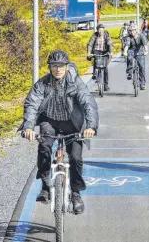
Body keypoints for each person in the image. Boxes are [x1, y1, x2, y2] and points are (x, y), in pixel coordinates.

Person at [19, 50, 99, 214]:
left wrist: (91, 126)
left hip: (72, 122)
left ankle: (76, 194)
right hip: (50, 121)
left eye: (61, 66)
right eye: (54, 66)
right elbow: (32, 104)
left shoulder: (75, 83)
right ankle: (45, 186)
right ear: (49, 68)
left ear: (67, 66)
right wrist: (28, 127)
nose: (58, 69)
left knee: (76, 157)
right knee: (44, 148)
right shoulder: (43, 84)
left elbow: (88, 103)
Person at [87, 24, 113, 91]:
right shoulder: (94, 35)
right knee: (96, 63)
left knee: (105, 69)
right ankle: (95, 74)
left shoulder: (106, 35)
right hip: (96, 51)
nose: (100, 31)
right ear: (97, 30)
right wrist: (89, 53)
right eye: (99, 30)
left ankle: (106, 85)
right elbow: (90, 44)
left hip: (105, 52)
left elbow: (110, 44)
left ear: (103, 30)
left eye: (102, 30)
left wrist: (111, 52)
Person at [123, 24, 148, 90]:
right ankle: (130, 73)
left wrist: (146, 51)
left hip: (140, 51)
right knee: (129, 58)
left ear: (136, 30)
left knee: (142, 67)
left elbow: (145, 45)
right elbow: (127, 46)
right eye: (130, 31)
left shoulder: (141, 36)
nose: (132, 32)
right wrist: (125, 52)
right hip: (131, 51)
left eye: (133, 31)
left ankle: (142, 84)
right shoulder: (128, 37)